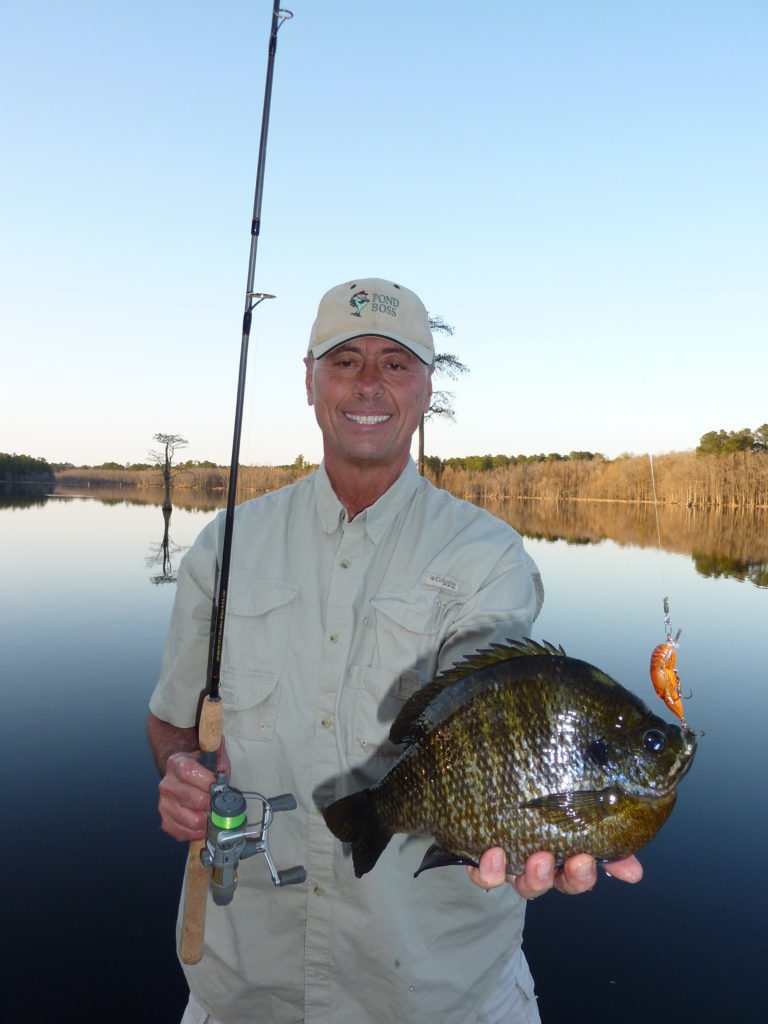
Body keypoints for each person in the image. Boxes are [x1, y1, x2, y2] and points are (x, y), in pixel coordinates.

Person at [147, 277, 642, 1024]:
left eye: (396, 363)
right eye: (344, 360)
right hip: (248, 990)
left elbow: (510, 737)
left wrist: (556, 826)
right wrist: (182, 771)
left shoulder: (487, 558)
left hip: (440, 997)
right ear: (309, 381)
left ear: (427, 388)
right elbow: (171, 724)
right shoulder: (223, 549)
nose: (369, 383)